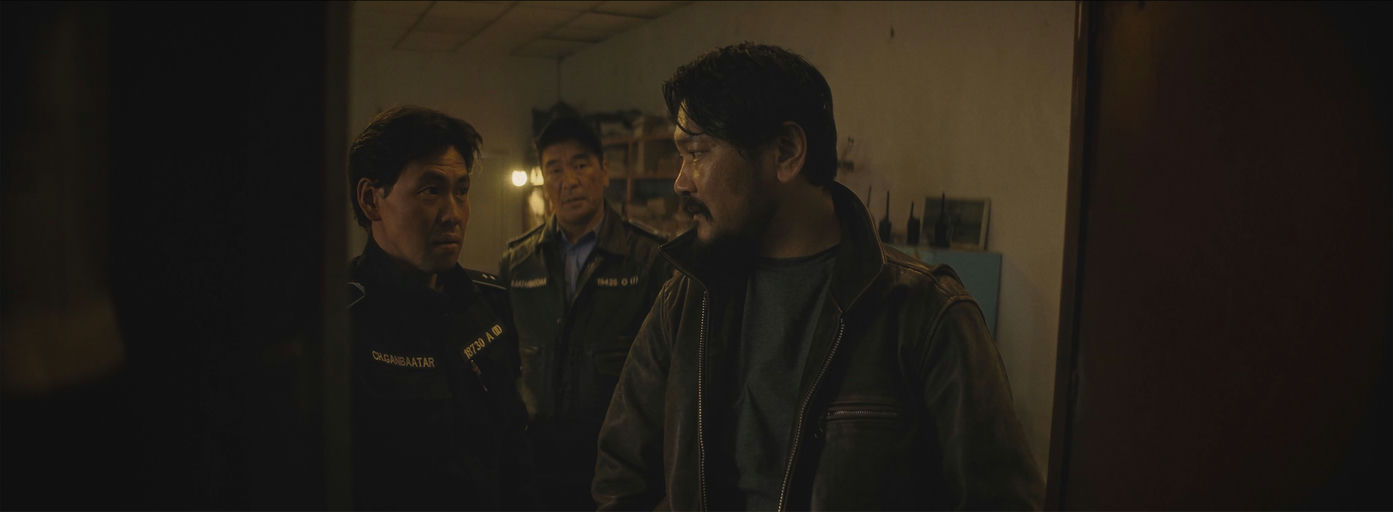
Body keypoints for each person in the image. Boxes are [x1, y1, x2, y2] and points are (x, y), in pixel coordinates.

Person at [592, 43, 1043, 510]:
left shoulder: (926, 315)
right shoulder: (686, 302)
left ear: (786, 152)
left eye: (698, 153)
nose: (681, 181)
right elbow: (621, 478)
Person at [346, 106, 532, 510]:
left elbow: (512, 447)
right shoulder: (342, 321)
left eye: (461, 191)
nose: (453, 215)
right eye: (430, 191)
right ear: (371, 200)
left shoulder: (487, 301)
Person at [499, 116, 671, 510]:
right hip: (537, 463)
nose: (570, 181)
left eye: (580, 165)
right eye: (555, 170)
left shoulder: (649, 259)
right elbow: (506, 365)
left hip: (618, 466)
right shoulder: (518, 262)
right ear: (544, 179)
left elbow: (666, 373)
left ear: (605, 171)